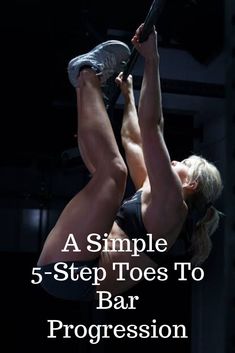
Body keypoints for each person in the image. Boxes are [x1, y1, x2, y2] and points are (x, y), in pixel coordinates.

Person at [37, 24, 223, 301]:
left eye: (184, 162)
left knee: (112, 174)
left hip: (77, 272)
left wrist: (152, 59)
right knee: (107, 173)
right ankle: (87, 88)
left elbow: (153, 128)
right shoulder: (156, 199)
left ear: (191, 183)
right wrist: (128, 95)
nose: (174, 160)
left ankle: (87, 73)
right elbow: (134, 140)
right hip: (75, 271)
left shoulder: (173, 205)